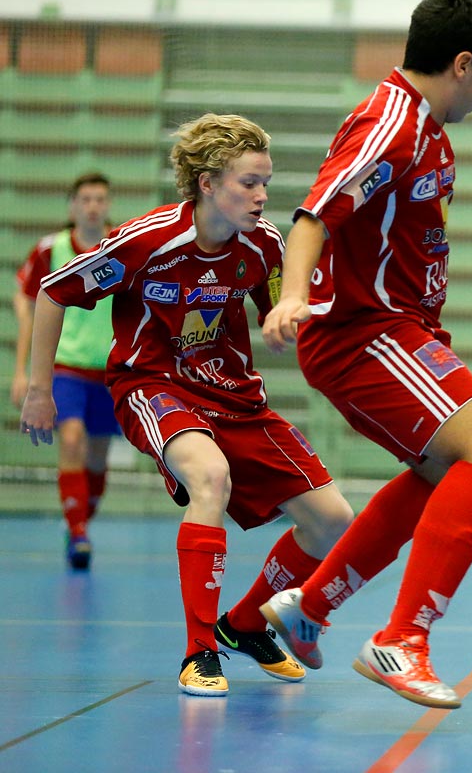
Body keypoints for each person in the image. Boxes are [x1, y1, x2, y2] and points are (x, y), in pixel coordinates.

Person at [19, 115, 355, 697]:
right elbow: (53, 293)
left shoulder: (265, 244)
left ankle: (244, 625)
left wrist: (288, 311)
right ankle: (199, 652)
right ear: (206, 183)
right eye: (249, 183)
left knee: (333, 522)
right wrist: (38, 389)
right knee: (211, 476)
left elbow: (284, 298)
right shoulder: (145, 241)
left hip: (235, 394)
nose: (262, 196)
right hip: (153, 385)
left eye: (265, 183)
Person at [259, 0, 472, 710]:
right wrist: (290, 294)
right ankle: (403, 639)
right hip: (363, 334)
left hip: (401, 331)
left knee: (446, 473)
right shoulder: (390, 124)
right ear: (462, 63)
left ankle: (311, 606)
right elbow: (314, 214)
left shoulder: (427, 130)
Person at [12, 172, 120, 569]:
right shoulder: (50, 250)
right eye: (86, 199)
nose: (93, 206)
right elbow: (25, 301)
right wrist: (24, 372)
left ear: (107, 205)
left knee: (97, 457)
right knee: (71, 439)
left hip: (110, 371)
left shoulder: (122, 244)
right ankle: (78, 535)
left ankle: (78, 521)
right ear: (73, 205)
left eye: (100, 199)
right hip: (66, 368)